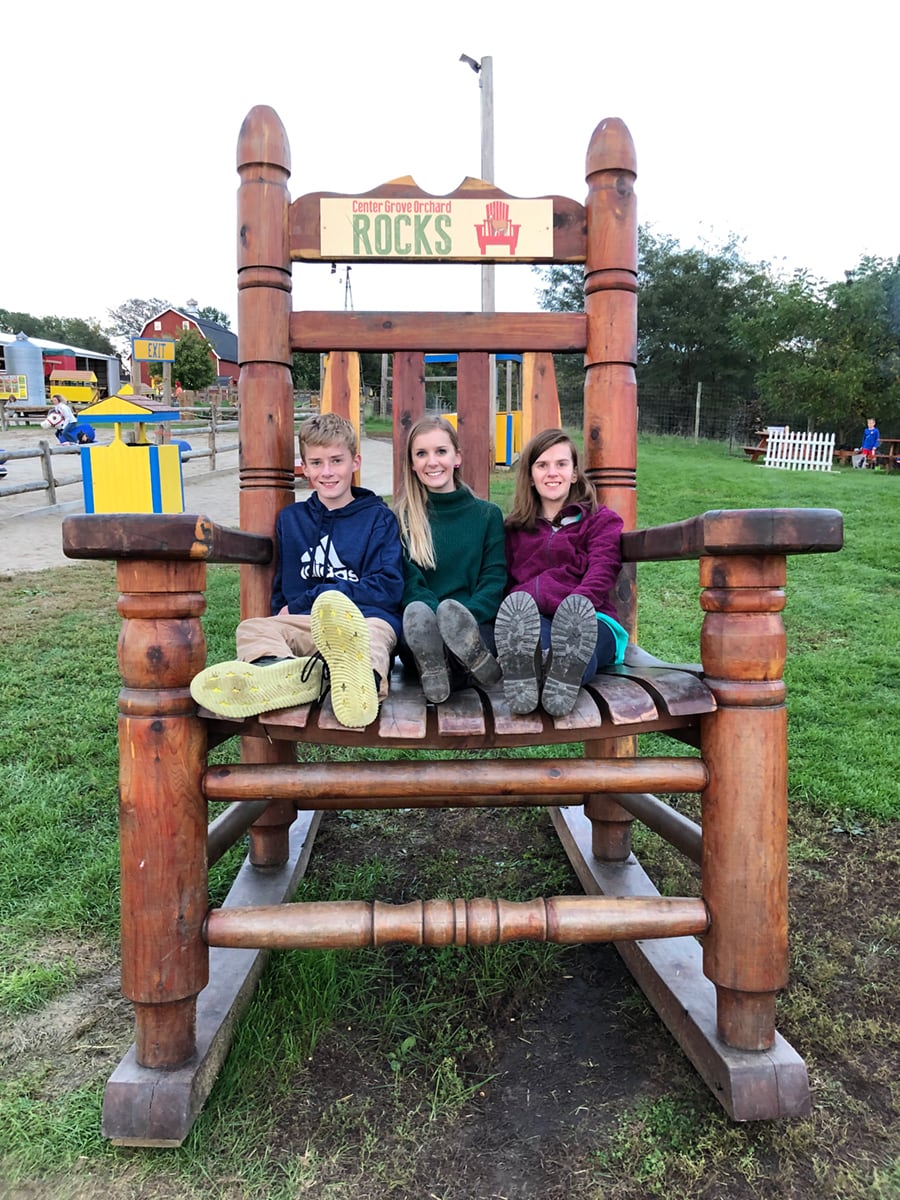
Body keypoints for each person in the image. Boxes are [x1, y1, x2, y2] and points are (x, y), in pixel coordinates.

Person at [190, 412, 403, 729]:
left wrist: (317, 597)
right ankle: (289, 676)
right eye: (316, 463)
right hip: (306, 623)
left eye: (336, 461)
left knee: (371, 642)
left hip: (364, 620)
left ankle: (360, 688)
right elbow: (285, 586)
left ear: (355, 462)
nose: (327, 472)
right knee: (252, 628)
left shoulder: (379, 518)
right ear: (304, 466)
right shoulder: (292, 520)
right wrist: (284, 614)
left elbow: (388, 587)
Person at [494, 428, 628, 718]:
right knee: (537, 642)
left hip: (592, 616)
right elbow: (503, 579)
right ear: (530, 476)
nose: (551, 473)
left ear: (575, 473)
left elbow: (603, 569)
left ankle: (560, 676)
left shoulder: (600, 521)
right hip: (537, 617)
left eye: (561, 464)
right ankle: (532, 675)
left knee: (581, 650)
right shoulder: (514, 530)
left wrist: (574, 607)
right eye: (542, 465)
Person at [394, 415, 506, 703]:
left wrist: (461, 620)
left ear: (457, 457)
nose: (432, 462)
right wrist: (439, 621)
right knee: (412, 635)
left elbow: (493, 580)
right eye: (422, 454)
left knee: (479, 639)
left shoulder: (487, 515)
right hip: (424, 628)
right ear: (412, 464)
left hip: (475, 623)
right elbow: (411, 583)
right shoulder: (405, 518)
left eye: (441, 451)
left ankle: (444, 675)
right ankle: (456, 671)